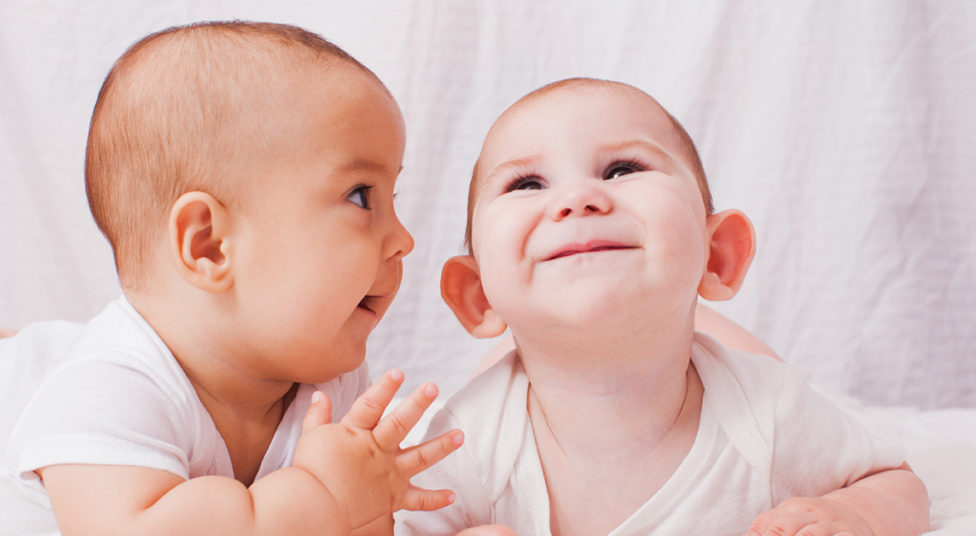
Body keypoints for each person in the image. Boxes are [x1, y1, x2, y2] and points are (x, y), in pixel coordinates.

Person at [0, 21, 470, 536]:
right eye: (361, 196)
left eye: (391, 198)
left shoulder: (326, 382)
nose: (404, 239)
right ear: (210, 245)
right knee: (5, 363)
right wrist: (325, 495)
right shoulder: (109, 392)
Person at [396, 78, 930, 535]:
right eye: (527, 183)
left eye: (623, 169)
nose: (578, 197)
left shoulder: (767, 411)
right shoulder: (468, 438)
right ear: (479, 296)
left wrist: (850, 513)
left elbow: (895, 482)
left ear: (717, 255)